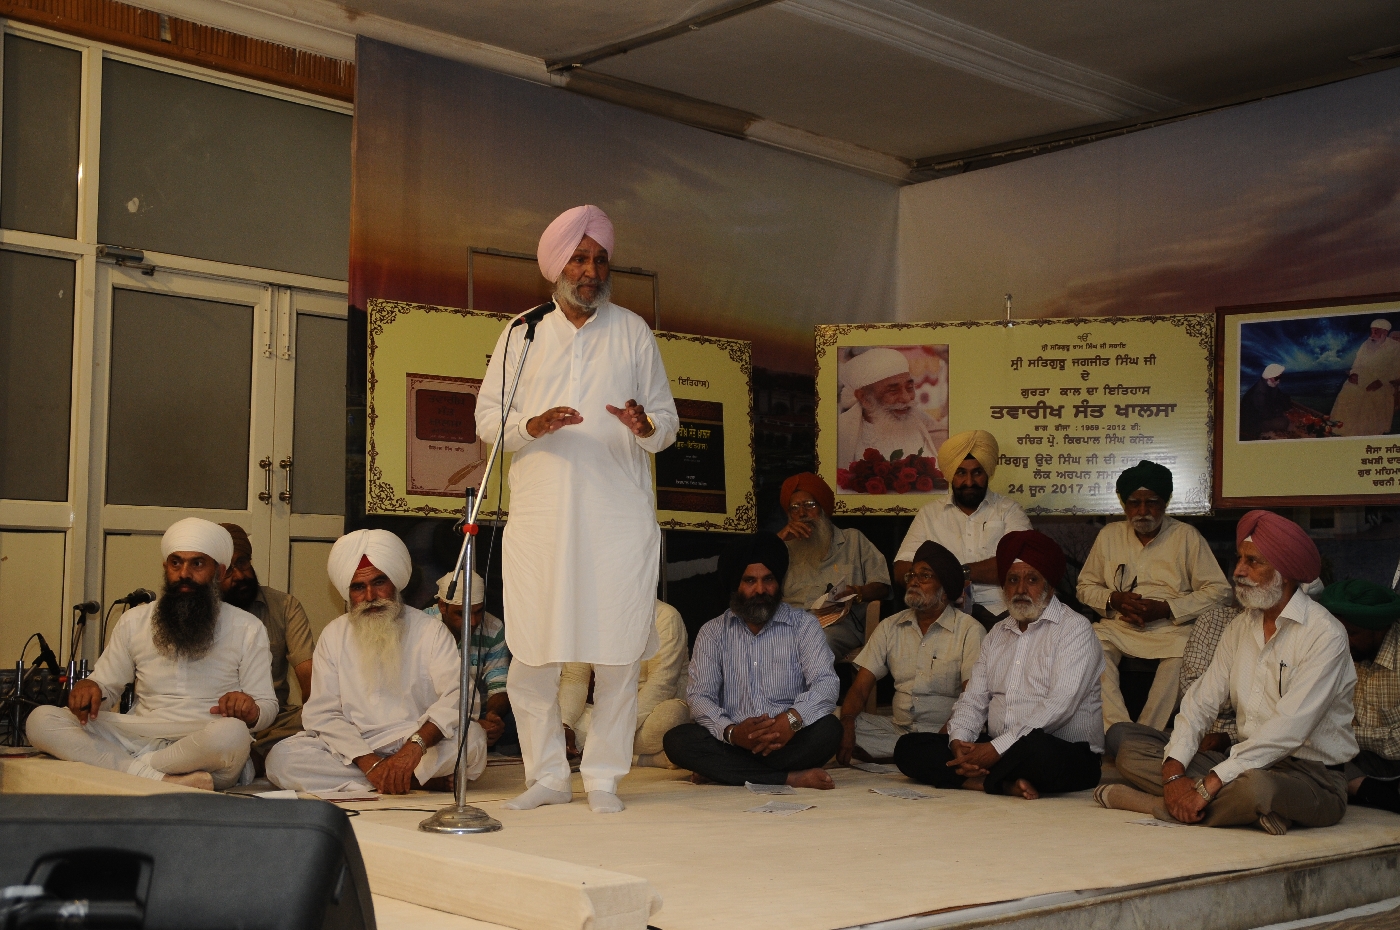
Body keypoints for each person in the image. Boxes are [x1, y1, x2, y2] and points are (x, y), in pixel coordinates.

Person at [476, 205, 678, 814]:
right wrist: (531, 425)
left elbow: (667, 423)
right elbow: (488, 420)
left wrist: (645, 424)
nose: (590, 271)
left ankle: (605, 778)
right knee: (533, 655)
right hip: (543, 520)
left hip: (617, 519)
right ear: (555, 265)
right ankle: (546, 776)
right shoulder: (522, 332)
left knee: (617, 653)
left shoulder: (632, 331)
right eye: (579, 259)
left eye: (599, 260)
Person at [1101, 511, 1357, 835]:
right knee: (1131, 751)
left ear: (1285, 574)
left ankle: (1155, 805)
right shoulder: (1240, 627)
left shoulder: (1325, 634)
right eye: (1239, 559)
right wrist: (1174, 772)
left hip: (1311, 776)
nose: (1238, 571)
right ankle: (1241, 811)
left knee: (1257, 789)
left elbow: (1287, 731)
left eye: (1253, 562)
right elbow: (1201, 701)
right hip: (1238, 762)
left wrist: (1210, 784)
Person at [27, 518, 277, 790]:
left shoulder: (247, 627)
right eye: (176, 563)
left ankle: (131, 769)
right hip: (140, 733)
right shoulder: (135, 621)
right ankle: (165, 778)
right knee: (41, 720)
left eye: (197, 564)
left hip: (204, 737)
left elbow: (266, 706)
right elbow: (106, 687)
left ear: (219, 571)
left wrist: (250, 710)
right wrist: (91, 688)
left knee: (232, 734)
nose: (184, 574)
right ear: (165, 567)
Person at [266, 530, 485, 795]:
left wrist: (415, 746)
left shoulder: (430, 630)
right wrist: (368, 761)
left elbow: (460, 696)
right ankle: (413, 780)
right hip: (357, 745)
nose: (370, 596)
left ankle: (393, 776)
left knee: (473, 740)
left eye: (379, 582)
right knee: (281, 759)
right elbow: (323, 713)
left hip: (416, 739)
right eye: (359, 587)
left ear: (395, 582)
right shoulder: (334, 635)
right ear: (348, 592)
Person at [893, 531, 1104, 799]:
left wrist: (996, 750)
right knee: (909, 747)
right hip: (999, 747)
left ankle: (982, 777)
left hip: (1061, 750)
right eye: (1013, 580)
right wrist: (959, 742)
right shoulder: (997, 633)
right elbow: (974, 699)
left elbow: (1059, 707)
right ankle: (997, 783)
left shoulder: (1075, 629)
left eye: (1032, 579)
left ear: (1050, 587)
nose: (1021, 589)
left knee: (1038, 752)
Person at [664, 534, 842, 788]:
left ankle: (725, 771)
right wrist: (733, 732)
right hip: (734, 742)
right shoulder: (713, 632)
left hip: (787, 740)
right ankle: (789, 778)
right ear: (736, 585)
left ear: (778, 582)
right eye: (750, 581)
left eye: (768, 579)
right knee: (677, 740)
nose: (760, 590)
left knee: (830, 730)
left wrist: (791, 720)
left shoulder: (804, 626)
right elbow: (700, 697)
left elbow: (826, 684)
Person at [1076, 461, 1232, 731]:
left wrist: (1167, 609)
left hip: (1171, 629)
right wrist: (1114, 600)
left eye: (1152, 502)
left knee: (1183, 657)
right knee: (1091, 648)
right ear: (1124, 504)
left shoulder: (1186, 536)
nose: (1142, 511)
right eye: (1134, 503)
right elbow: (1085, 586)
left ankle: (1146, 733)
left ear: (1165, 502)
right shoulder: (1109, 535)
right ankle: (1118, 730)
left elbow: (1220, 592)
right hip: (1119, 626)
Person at [837, 540, 984, 763]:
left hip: (945, 733)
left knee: (959, 739)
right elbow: (860, 688)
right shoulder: (890, 626)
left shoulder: (969, 631)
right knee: (830, 719)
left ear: (945, 590)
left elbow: (972, 700)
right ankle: (905, 755)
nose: (914, 581)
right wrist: (847, 723)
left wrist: (942, 740)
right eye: (912, 575)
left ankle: (902, 755)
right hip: (897, 730)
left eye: (925, 576)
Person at [893, 430, 1031, 630]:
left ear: (988, 472)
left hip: (1001, 613)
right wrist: (936, 584)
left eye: (977, 472)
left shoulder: (1009, 511)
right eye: (960, 473)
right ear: (950, 475)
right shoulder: (930, 514)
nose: (969, 482)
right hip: (943, 611)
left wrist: (956, 573)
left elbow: (1020, 567)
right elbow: (901, 568)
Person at [218, 523, 315, 773]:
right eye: (228, 570)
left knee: (332, 715)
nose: (240, 575)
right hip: (216, 718)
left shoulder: (284, 606)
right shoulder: (200, 612)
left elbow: (309, 678)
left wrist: (318, 724)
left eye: (243, 563)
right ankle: (258, 758)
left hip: (274, 721)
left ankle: (252, 757)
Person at [560, 601, 691, 769]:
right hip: (605, 713)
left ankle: (596, 749)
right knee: (546, 713)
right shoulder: (588, 619)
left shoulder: (665, 616)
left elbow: (661, 685)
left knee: (672, 715)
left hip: (650, 712)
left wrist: (611, 732)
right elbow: (575, 678)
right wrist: (565, 723)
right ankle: (642, 758)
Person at [776, 472, 890, 659]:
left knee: (818, 641)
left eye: (809, 505)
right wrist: (776, 542)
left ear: (823, 508)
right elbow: (753, 583)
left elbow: (882, 586)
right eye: (794, 508)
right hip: (790, 625)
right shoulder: (781, 548)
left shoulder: (853, 540)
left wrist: (856, 592)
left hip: (837, 626)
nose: (802, 513)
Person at [1316, 579, 1400, 813]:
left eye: (1352, 633)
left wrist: (1342, 734)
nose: (1343, 640)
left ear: (1379, 629)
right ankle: (1367, 790)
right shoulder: (1337, 650)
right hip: (1352, 761)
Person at [424, 570, 515, 750]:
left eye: (478, 611)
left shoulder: (493, 628)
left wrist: (493, 716)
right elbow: (417, 695)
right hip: (431, 715)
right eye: (462, 614)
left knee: (519, 722)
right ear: (442, 606)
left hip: (478, 712)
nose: (472, 622)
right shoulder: (423, 627)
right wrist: (467, 723)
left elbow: (499, 685)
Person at [836, 347, 945, 470]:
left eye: (909, 388)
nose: (906, 398)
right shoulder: (840, 434)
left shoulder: (919, 420)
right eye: (893, 390)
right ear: (864, 398)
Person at [1331, 320, 1400, 437]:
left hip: (1383, 381)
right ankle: (1342, 428)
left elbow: (1396, 370)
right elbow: (1357, 363)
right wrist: (1354, 373)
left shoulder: (1396, 347)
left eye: (1376, 331)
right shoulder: (1366, 344)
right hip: (1362, 377)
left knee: (1370, 395)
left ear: (1385, 332)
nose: (1372, 334)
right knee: (1349, 388)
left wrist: (1381, 381)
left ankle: (1365, 432)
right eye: (1371, 331)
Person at [1239, 363, 1291, 440]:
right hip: (1255, 420)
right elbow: (1265, 414)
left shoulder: (1271, 383)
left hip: (1263, 413)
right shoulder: (1259, 393)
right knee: (1283, 423)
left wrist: (1284, 404)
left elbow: (1279, 396)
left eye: (1280, 377)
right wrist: (1280, 412)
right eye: (1277, 377)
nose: (1279, 380)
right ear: (1269, 377)